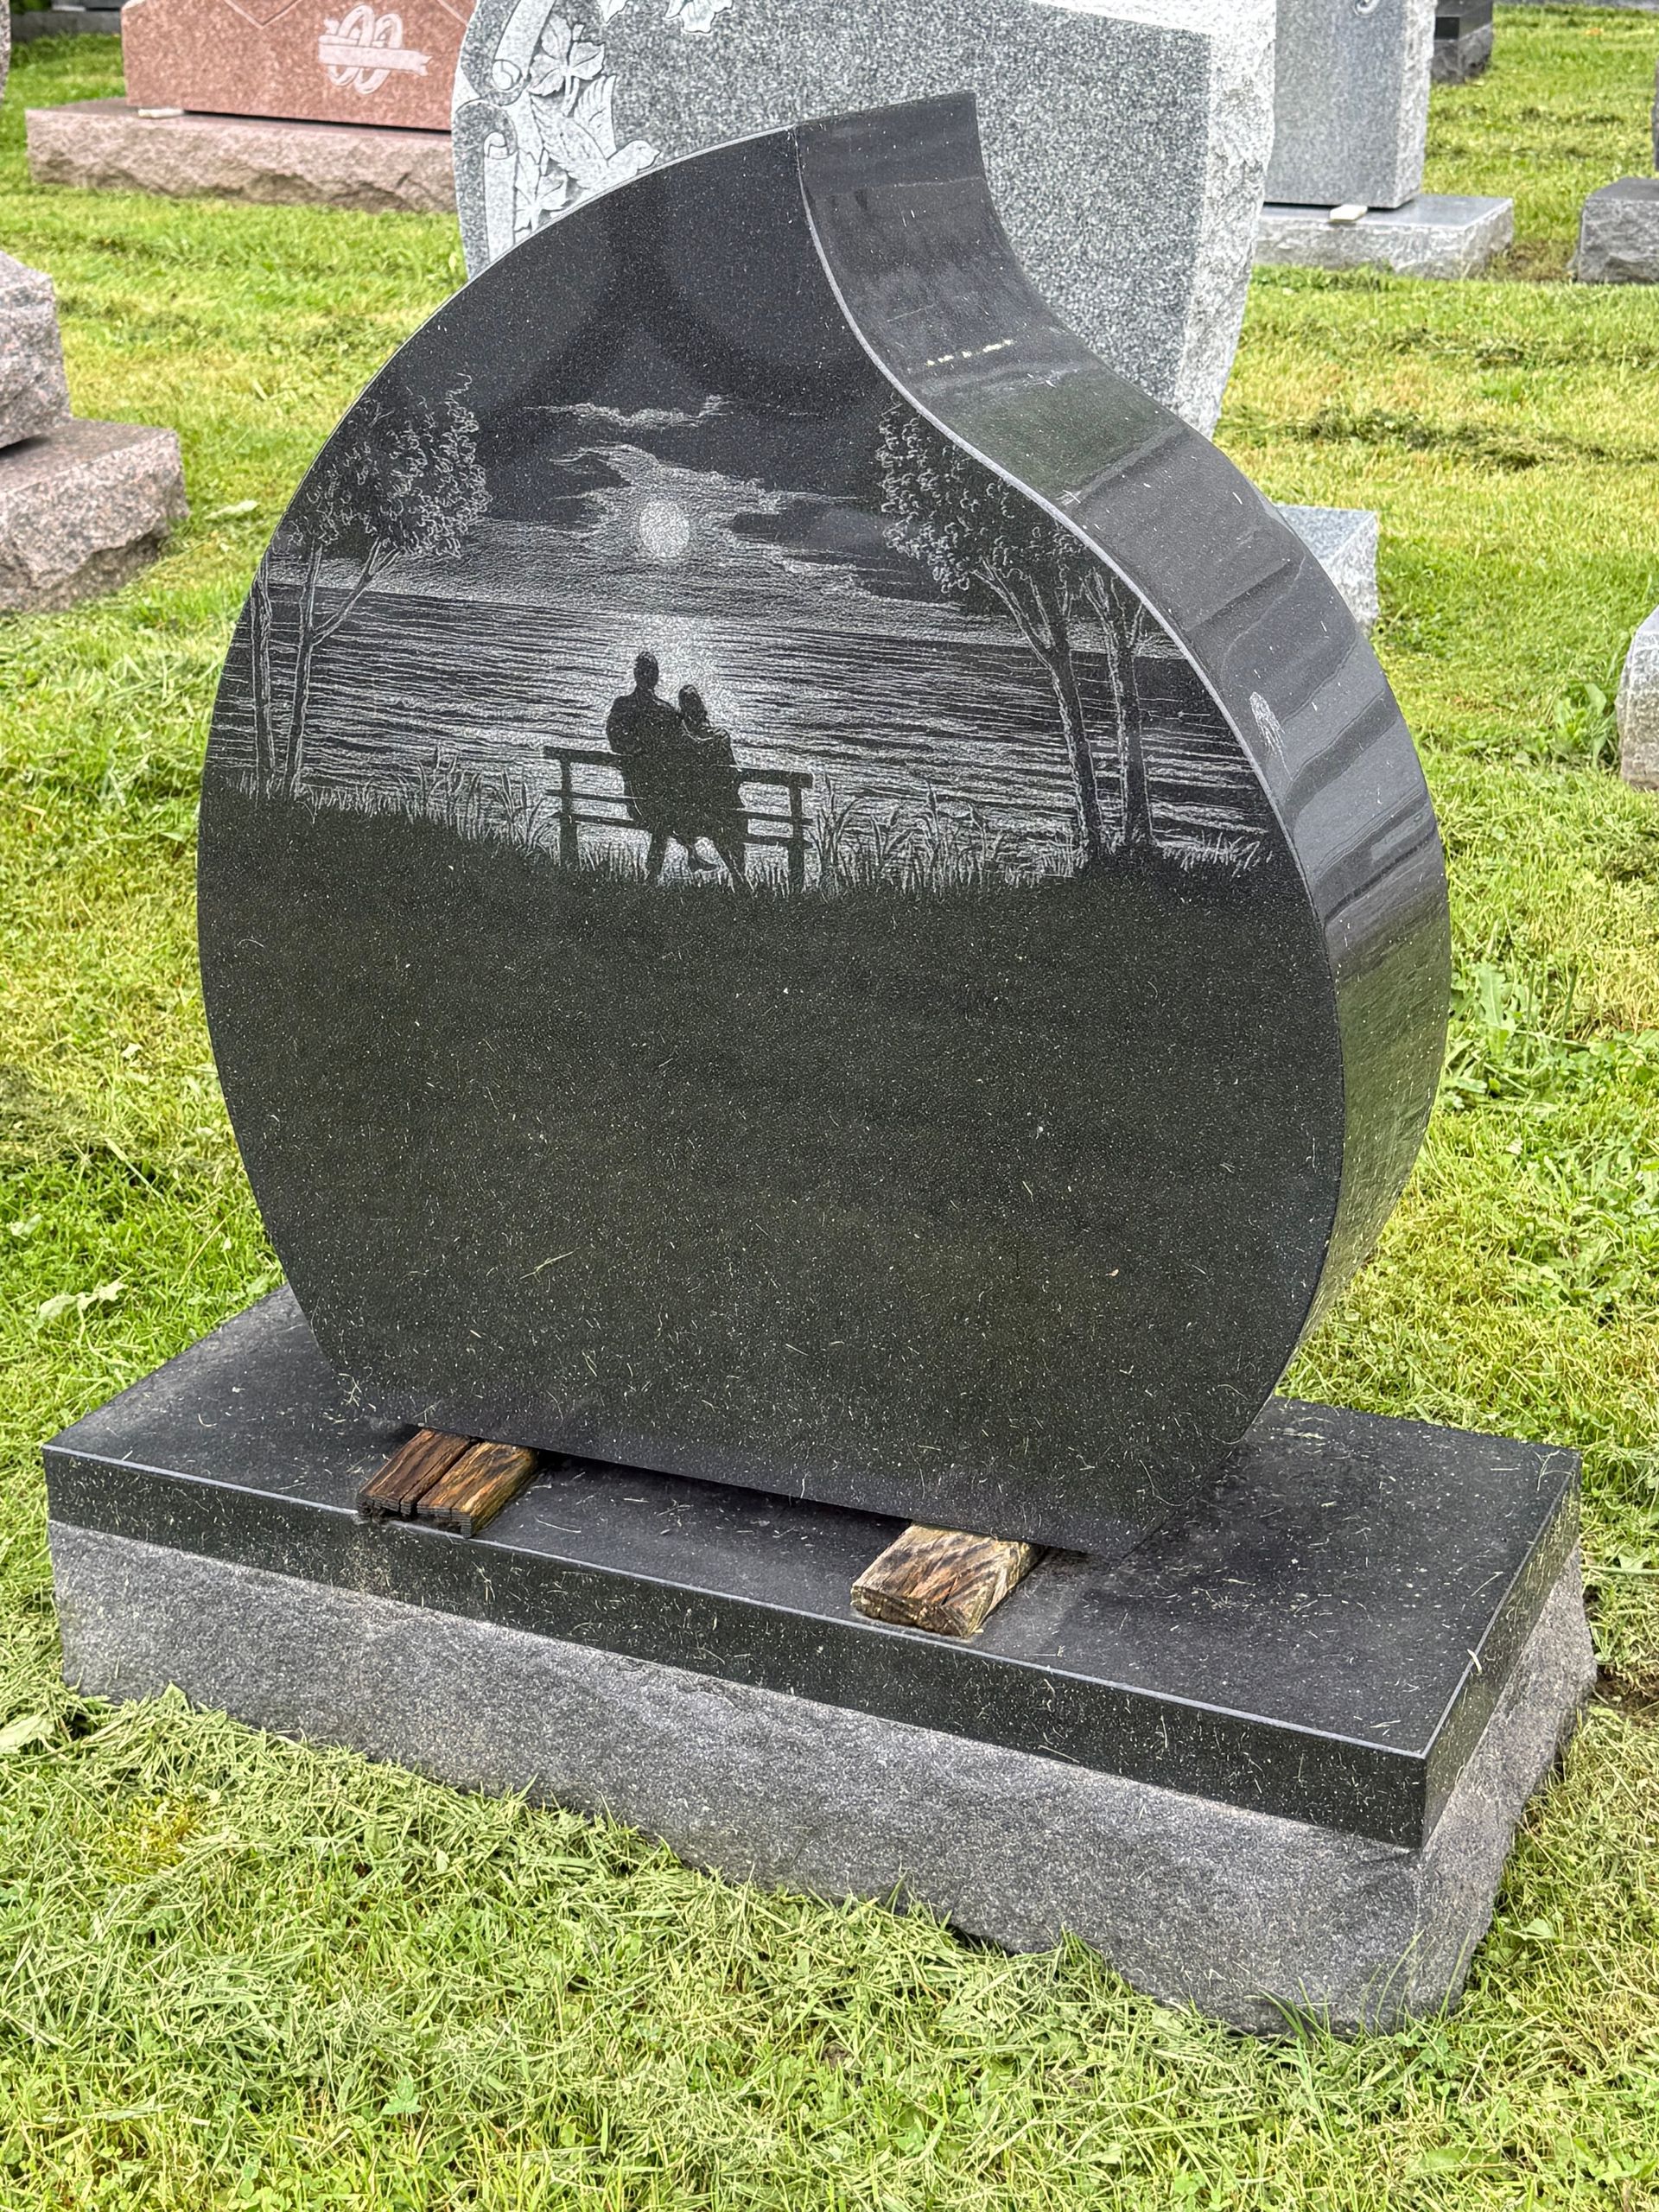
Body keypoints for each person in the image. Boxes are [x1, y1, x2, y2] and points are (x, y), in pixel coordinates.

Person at [605, 652, 702, 882]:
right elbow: (685, 745)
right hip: (660, 797)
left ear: (636, 675)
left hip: (635, 795)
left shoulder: (622, 706)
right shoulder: (666, 711)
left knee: (665, 813)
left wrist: (638, 751)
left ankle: (655, 874)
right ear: (656, 677)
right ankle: (661, 870)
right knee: (672, 812)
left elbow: (615, 740)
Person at [677, 684, 749, 882]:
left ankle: (736, 875)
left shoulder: (680, 739)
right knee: (733, 815)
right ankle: (739, 874)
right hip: (716, 811)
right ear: (701, 706)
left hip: (689, 812)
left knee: (719, 818)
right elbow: (733, 774)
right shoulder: (720, 737)